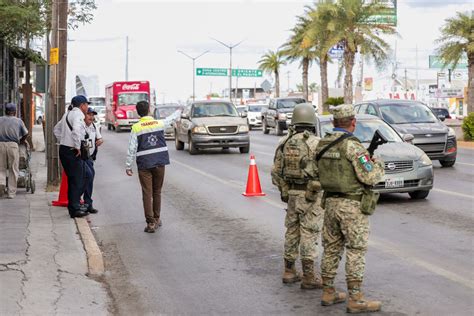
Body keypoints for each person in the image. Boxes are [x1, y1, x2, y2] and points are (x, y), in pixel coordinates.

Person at [315, 104, 384, 313]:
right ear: (353, 122)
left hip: (330, 203)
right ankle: (356, 299)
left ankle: (328, 291)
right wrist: (377, 163)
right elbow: (370, 176)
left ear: (334, 122)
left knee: (331, 248)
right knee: (355, 250)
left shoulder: (322, 144)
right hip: (352, 206)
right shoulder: (353, 147)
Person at [271, 103, 324, 290]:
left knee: (292, 231)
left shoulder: (284, 143)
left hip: (292, 194)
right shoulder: (316, 143)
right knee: (309, 232)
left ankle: (289, 271)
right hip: (311, 195)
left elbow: (276, 172)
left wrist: (285, 191)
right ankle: (309, 275)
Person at [125, 100, 178, 233]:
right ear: (149, 110)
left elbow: (132, 148)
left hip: (144, 164)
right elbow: (171, 119)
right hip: (159, 161)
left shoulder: (136, 127)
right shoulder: (159, 124)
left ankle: (150, 223)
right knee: (157, 191)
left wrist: (128, 165)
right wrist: (179, 111)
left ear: (138, 112)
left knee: (147, 193)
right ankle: (157, 218)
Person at [54, 95, 89, 218]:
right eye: (86, 104)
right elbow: (76, 131)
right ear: (82, 105)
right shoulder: (79, 114)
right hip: (72, 151)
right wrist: (77, 146)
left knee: (73, 179)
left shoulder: (66, 115)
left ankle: (73, 207)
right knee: (77, 180)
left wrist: (63, 140)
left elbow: (56, 130)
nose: (87, 107)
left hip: (64, 149)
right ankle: (75, 209)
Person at [0, 103, 28, 198]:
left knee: (1, 167)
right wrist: (21, 141)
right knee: (13, 169)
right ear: (15, 112)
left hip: (0, 145)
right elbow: (25, 133)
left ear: (5, 111)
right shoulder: (19, 121)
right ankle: (11, 193)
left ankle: (1, 183)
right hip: (13, 145)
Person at [82, 107, 103, 214]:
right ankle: (83, 203)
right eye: (89, 114)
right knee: (88, 177)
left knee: (89, 179)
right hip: (81, 156)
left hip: (90, 157)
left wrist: (100, 141)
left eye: (92, 115)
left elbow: (99, 138)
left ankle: (88, 204)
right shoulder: (80, 126)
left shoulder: (94, 126)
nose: (91, 117)